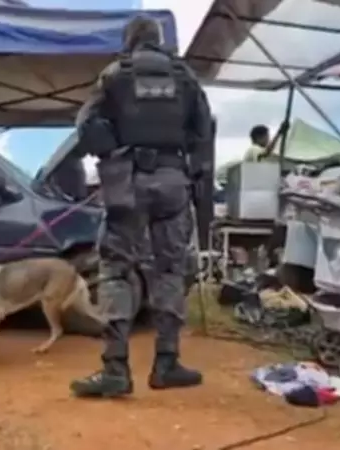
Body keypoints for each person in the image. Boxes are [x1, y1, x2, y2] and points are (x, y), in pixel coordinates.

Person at [69, 15, 213, 398]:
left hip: (128, 182)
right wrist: (191, 173)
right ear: (159, 41)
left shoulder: (116, 75)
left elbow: (85, 125)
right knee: (169, 270)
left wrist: (114, 152)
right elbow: (203, 133)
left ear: (129, 41)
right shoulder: (184, 77)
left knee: (116, 270)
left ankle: (115, 368)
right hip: (173, 181)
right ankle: (167, 363)